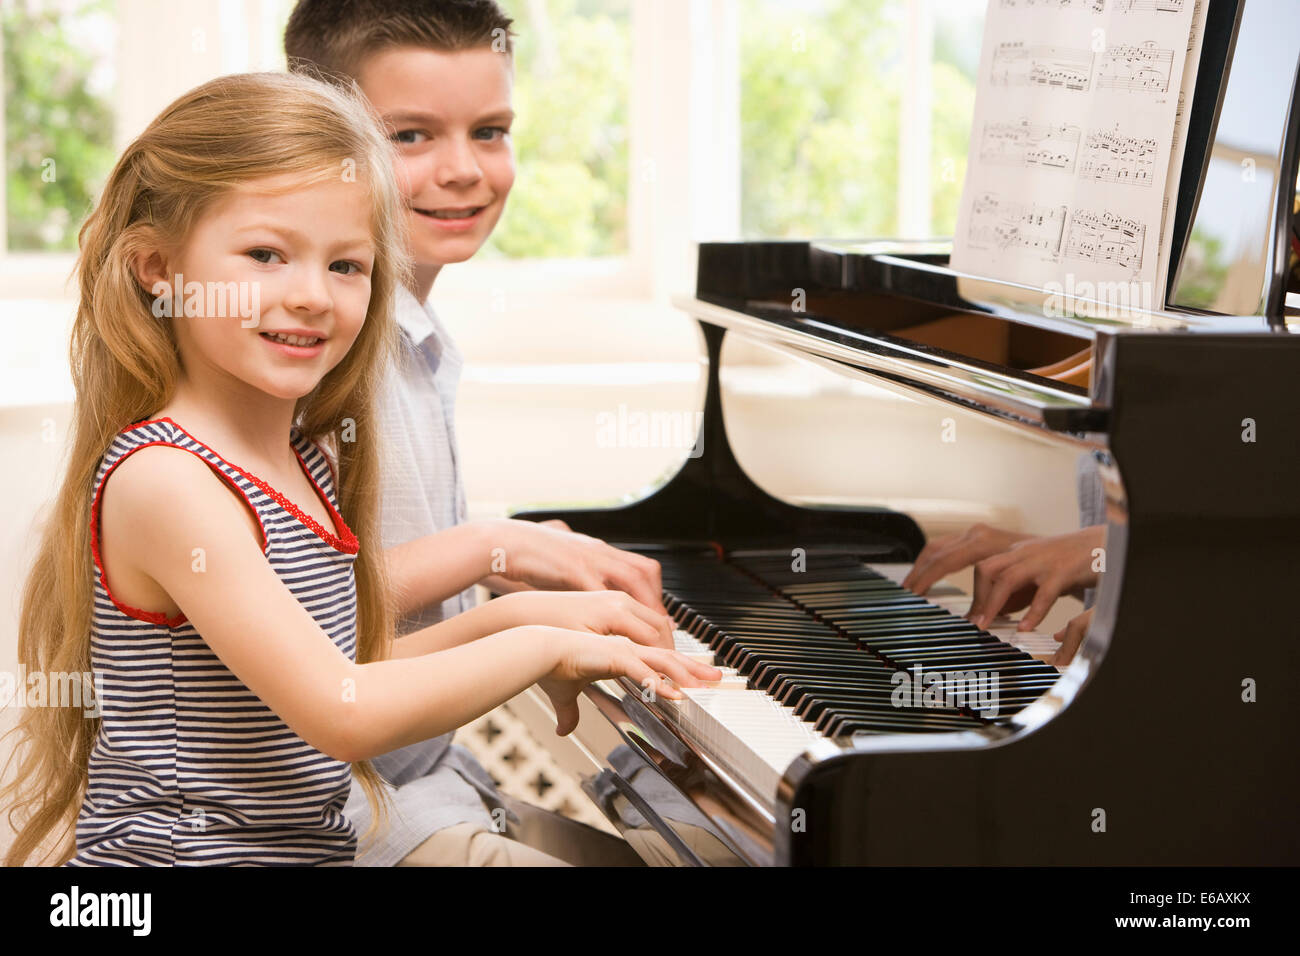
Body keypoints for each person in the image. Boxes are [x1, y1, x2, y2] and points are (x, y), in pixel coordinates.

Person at [0, 70, 716, 867]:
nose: (311, 295)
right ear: (157, 268)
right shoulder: (167, 479)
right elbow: (344, 711)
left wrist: (532, 622)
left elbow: (344, 665)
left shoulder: (301, 456)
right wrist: (540, 653)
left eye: (347, 265)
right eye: (266, 254)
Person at [284, 0, 676, 866]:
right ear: (314, 137)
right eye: (411, 136)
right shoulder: (308, 347)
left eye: (490, 131)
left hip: (422, 780)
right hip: (334, 811)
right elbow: (308, 609)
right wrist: (497, 554)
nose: (463, 170)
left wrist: (520, 561)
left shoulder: (412, 332)